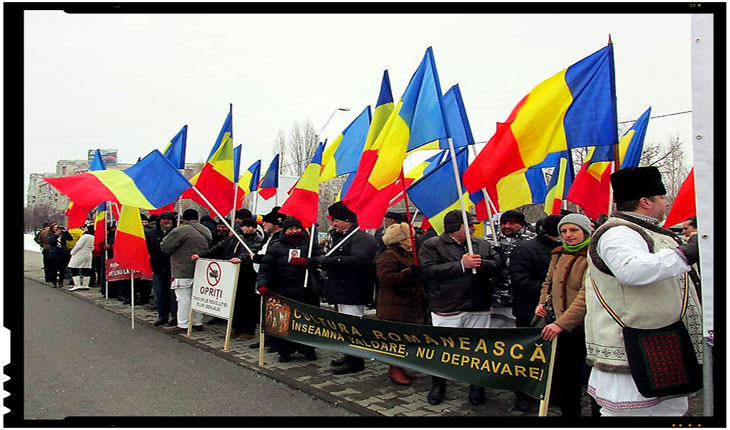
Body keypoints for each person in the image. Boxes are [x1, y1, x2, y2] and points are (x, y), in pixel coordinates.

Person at [584, 166, 702, 416]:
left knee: (669, 412)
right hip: (634, 347)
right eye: (662, 198)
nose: (667, 203)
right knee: (629, 414)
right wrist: (689, 252)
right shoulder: (618, 232)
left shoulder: (648, 231)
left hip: (662, 342)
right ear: (645, 202)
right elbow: (632, 270)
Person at [418, 210, 503, 406]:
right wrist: (461, 265)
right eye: (469, 224)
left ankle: (477, 385)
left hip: (478, 305)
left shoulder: (481, 243)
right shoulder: (431, 245)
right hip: (448, 307)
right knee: (442, 350)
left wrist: (480, 264)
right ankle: (439, 384)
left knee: (478, 350)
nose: (474, 228)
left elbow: (497, 264)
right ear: (455, 227)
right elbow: (428, 271)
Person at [533, 214, 592, 416]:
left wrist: (563, 323)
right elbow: (548, 282)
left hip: (586, 327)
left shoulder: (594, 255)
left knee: (593, 379)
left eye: (574, 230)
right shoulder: (558, 253)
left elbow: (586, 295)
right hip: (560, 325)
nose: (568, 235)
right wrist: (542, 303)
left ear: (585, 231)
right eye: (564, 231)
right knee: (567, 377)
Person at [310, 202, 378, 375]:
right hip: (342, 290)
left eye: (336, 221)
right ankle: (349, 355)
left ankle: (356, 360)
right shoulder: (344, 236)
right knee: (344, 326)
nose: (333, 224)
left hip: (353, 290)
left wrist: (330, 262)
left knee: (352, 325)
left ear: (347, 220)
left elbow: (359, 260)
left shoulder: (362, 238)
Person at [508, 214, 563, 412]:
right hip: (529, 313)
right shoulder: (525, 249)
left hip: (556, 315)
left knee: (554, 357)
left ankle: (551, 392)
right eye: (564, 231)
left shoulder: (566, 250)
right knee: (527, 356)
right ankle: (523, 394)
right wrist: (550, 290)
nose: (568, 235)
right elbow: (520, 281)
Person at [257, 217, 322, 362]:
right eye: (290, 229)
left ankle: (309, 350)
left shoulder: (310, 245)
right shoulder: (276, 246)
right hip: (283, 291)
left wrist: (307, 262)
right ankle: (285, 351)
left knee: (308, 323)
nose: (294, 231)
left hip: (306, 291)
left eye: (297, 228)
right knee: (285, 324)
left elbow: (322, 260)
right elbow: (266, 268)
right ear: (285, 231)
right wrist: (262, 284)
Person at [194, 217, 263, 339]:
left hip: (247, 274)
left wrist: (240, 259)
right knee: (235, 302)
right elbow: (219, 248)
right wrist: (202, 256)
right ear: (242, 227)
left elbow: (251, 252)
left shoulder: (257, 239)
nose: (251, 229)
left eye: (253, 227)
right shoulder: (235, 237)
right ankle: (236, 327)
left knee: (247, 303)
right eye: (248, 226)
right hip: (232, 273)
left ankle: (248, 330)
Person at [375, 222, 424, 386]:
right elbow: (386, 278)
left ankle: (403, 366)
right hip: (394, 306)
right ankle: (394, 369)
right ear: (400, 240)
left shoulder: (409, 255)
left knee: (406, 339)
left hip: (409, 304)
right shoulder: (388, 256)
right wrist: (411, 272)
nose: (412, 239)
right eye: (408, 237)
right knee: (395, 340)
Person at [161, 209, 212, 333]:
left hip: (182, 268)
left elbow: (166, 246)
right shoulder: (206, 230)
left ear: (184, 218)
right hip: (200, 267)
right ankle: (197, 322)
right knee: (198, 297)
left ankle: (183, 324)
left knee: (183, 298)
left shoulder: (180, 230)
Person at [489, 210, 536, 328]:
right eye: (504, 223)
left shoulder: (532, 241)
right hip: (495, 298)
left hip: (522, 299)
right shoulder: (490, 240)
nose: (507, 226)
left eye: (512, 223)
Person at [249, 208, 287, 351]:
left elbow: (272, 257)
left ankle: (273, 339)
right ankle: (266, 337)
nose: (263, 224)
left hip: (273, 279)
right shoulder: (269, 237)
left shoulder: (279, 239)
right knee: (265, 311)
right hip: (262, 277)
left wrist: (257, 258)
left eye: (267, 222)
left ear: (276, 224)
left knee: (274, 311)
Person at [145, 211, 178, 326]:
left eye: (169, 219)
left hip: (173, 267)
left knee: (173, 294)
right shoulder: (151, 233)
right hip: (157, 267)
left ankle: (174, 316)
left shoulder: (177, 232)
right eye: (164, 219)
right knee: (159, 293)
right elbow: (147, 249)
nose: (166, 221)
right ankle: (162, 316)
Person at [67, 224, 95, 291]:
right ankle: (86, 285)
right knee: (86, 269)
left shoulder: (85, 236)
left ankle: (77, 285)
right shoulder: (93, 236)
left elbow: (79, 245)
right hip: (88, 253)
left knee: (74, 268)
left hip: (80, 254)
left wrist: (72, 252)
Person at [45, 222, 73, 288]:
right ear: (52, 228)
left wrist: (66, 232)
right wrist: (56, 234)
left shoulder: (63, 234)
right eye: (55, 228)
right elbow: (50, 241)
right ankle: (54, 282)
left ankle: (61, 282)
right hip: (54, 253)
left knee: (62, 269)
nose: (57, 229)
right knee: (53, 269)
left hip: (62, 253)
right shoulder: (50, 234)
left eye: (58, 227)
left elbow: (70, 238)